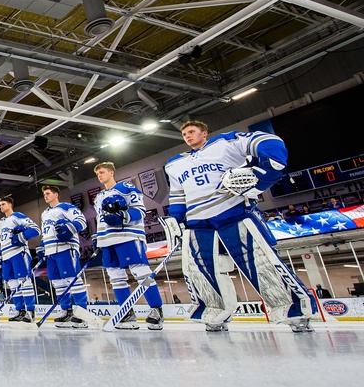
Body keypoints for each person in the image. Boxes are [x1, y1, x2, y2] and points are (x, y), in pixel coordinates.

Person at [163, 120, 318, 332]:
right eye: (184, 134)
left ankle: (294, 310)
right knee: (200, 269)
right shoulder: (174, 164)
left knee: (260, 262)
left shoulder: (225, 143)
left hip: (233, 211)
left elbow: (269, 141)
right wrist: (175, 219)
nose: (187, 136)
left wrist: (261, 176)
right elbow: (178, 196)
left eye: (191, 131)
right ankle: (214, 312)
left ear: (204, 132)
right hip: (197, 221)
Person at [93, 162, 164, 330]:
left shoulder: (126, 188)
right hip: (107, 240)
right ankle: (127, 313)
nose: (100, 176)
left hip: (128, 237)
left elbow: (140, 210)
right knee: (115, 277)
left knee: (141, 272)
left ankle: (156, 309)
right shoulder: (98, 197)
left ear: (111, 172)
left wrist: (123, 216)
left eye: (102, 172)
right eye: (97, 174)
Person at [40, 185, 94, 328]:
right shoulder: (44, 213)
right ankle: (67, 311)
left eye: (48, 193)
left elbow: (81, 221)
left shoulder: (66, 207)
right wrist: (42, 244)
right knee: (57, 283)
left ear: (56, 194)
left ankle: (82, 313)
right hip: (50, 251)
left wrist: (71, 227)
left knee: (72, 280)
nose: (45, 196)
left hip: (66, 247)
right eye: (44, 194)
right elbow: (46, 232)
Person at [0, 195, 40, 323]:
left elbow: (36, 229)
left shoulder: (17, 216)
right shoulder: (0, 222)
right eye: (0, 205)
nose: (1, 206)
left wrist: (22, 236)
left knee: (24, 281)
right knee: (12, 283)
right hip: (6, 255)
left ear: (10, 205)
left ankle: (30, 311)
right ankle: (20, 310)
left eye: (3, 204)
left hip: (18, 253)